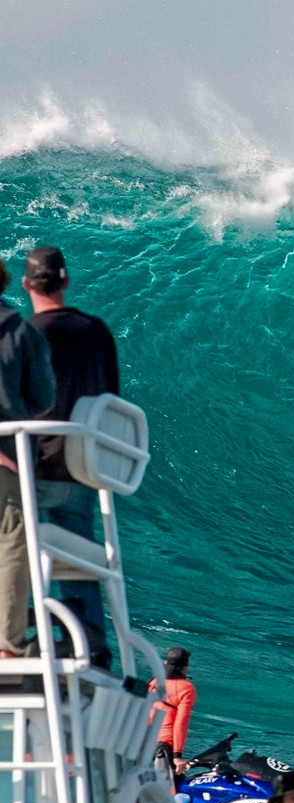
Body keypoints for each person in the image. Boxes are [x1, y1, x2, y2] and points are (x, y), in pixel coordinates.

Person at [24, 246, 119, 660]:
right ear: (66, 280)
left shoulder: (27, 334)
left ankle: (18, 626)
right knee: (78, 552)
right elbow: (111, 399)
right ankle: (92, 636)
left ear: (27, 284)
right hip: (83, 465)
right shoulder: (97, 331)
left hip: (37, 466)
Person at [0, 260, 56, 659]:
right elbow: (43, 398)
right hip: (6, 459)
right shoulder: (19, 332)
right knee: (12, 542)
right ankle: (6, 645)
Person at [149, 648, 196, 775]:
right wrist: (177, 756)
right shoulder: (186, 688)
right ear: (187, 665)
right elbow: (181, 722)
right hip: (164, 746)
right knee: (169, 791)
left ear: (166, 662)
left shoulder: (154, 682)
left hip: (145, 743)